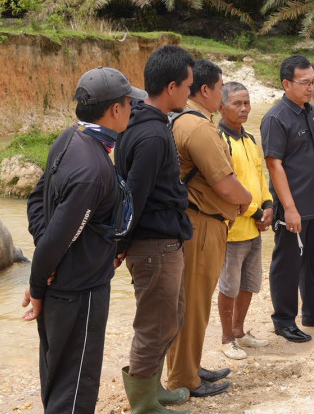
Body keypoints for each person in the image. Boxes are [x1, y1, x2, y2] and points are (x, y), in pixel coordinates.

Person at [23, 67, 146, 414]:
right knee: (77, 384)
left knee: (57, 376)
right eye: (128, 103)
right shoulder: (93, 170)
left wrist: (46, 268)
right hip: (81, 292)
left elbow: (37, 201)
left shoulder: (70, 138)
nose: (132, 109)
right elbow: (62, 234)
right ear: (115, 110)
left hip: (62, 282)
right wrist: (38, 283)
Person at [113, 45, 195, 412]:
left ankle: (154, 388)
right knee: (155, 324)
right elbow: (135, 195)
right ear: (173, 86)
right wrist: (122, 244)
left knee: (169, 318)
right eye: (189, 86)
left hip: (163, 241)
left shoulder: (146, 124)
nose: (190, 94)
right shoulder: (150, 134)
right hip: (154, 245)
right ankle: (144, 404)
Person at [166, 59, 252, 397]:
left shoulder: (184, 121)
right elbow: (225, 183)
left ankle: (188, 366)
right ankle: (184, 378)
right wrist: (245, 200)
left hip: (196, 222)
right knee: (194, 303)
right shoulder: (198, 127)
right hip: (200, 226)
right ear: (206, 91)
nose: (222, 94)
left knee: (191, 302)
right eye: (220, 89)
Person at [260, 55, 314, 345]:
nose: (311, 88)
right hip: (293, 208)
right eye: (305, 83)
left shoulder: (311, 111)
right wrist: (288, 208)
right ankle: (284, 320)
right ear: (287, 83)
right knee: (287, 264)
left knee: (311, 262)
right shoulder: (276, 118)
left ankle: (313, 311)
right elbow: (275, 165)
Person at [215, 81, 274, 360]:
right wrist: (255, 211)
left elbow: (260, 178)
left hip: (254, 226)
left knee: (250, 283)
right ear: (221, 105)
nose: (243, 108)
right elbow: (225, 187)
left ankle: (239, 331)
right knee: (229, 285)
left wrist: (269, 205)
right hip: (232, 228)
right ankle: (227, 339)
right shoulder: (219, 140)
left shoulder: (249, 140)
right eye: (237, 103)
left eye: (247, 103)